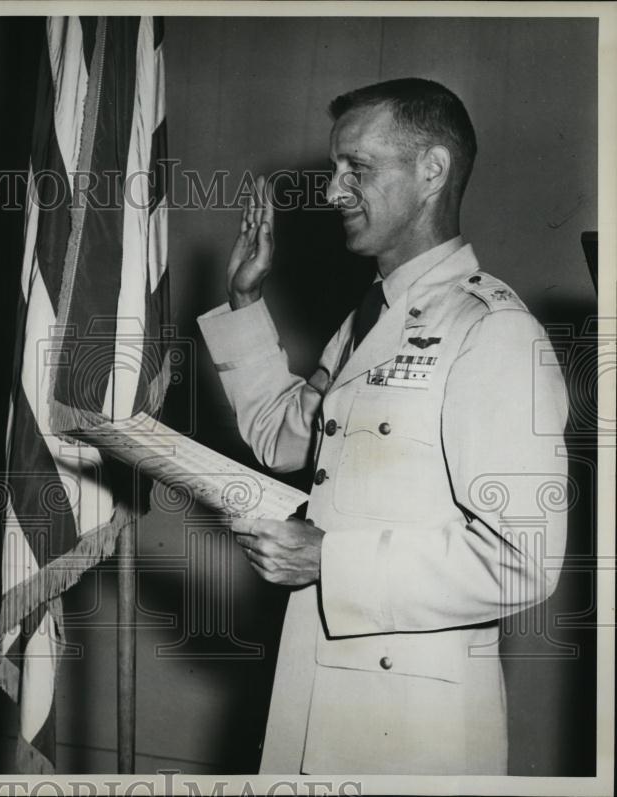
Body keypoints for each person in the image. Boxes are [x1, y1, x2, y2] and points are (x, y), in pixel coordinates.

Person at [197, 78, 569, 774]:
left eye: (356, 170)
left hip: (412, 725)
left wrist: (327, 560)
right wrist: (245, 300)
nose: (334, 192)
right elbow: (285, 436)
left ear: (432, 170)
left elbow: (524, 560)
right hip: (316, 692)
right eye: (337, 170)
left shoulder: (492, 330)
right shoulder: (370, 321)